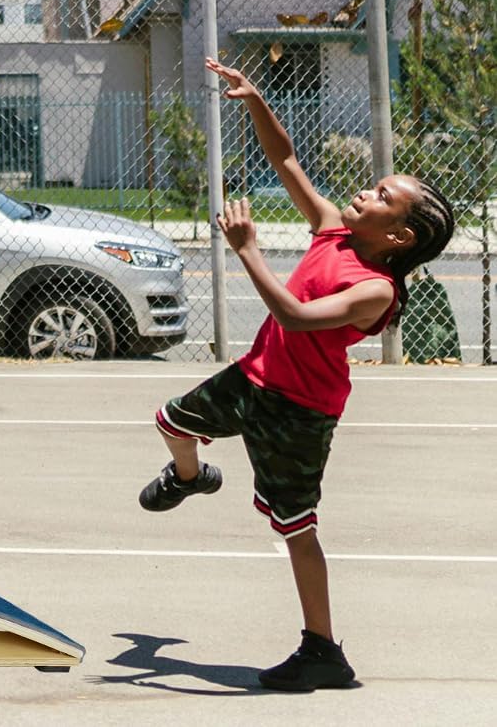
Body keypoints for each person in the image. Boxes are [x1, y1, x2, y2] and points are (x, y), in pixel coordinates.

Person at [139, 56, 455, 692]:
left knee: (296, 527)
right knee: (171, 422)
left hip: (300, 411)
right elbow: (285, 159)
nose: (366, 192)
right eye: (375, 186)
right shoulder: (333, 229)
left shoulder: (376, 290)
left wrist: (249, 251)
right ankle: (190, 477)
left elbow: (297, 316)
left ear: (399, 237)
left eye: (383, 197)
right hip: (253, 378)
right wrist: (256, 99)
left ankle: (322, 651)